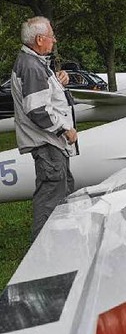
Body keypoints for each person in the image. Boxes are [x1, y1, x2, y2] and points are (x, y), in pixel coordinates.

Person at [11, 16, 78, 241]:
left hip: (50, 144)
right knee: (51, 198)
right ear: (40, 39)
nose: (54, 40)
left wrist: (59, 81)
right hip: (47, 143)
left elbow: (43, 96)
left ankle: (59, 243)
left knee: (62, 190)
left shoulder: (35, 62)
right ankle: (42, 254)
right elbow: (37, 109)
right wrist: (64, 129)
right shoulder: (31, 66)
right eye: (51, 36)